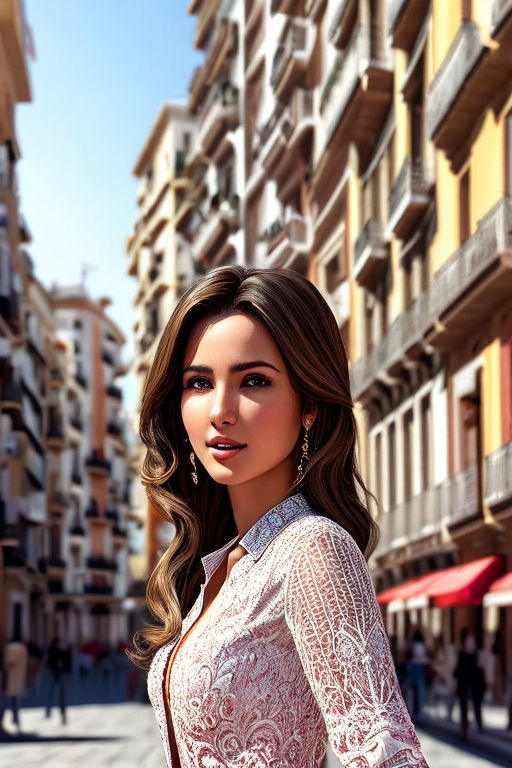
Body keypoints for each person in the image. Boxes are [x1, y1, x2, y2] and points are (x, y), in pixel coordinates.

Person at [132, 267, 428, 767]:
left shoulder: (313, 549)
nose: (220, 411)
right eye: (199, 382)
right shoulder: (221, 569)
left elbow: (386, 752)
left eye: (254, 381)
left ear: (309, 402)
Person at [453, 628, 486, 738]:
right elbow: (457, 671)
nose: (470, 643)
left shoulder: (477, 654)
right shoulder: (462, 654)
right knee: (464, 708)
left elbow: (481, 670)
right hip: (463, 685)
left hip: (475, 684)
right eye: (468, 640)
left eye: (472, 641)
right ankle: (464, 729)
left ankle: (479, 724)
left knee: (477, 705)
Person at [0, 635, 28, 732]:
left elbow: (8, 662)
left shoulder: (9, 650)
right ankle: (14, 720)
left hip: (8, 681)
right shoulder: (16, 649)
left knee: (6, 703)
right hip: (9, 681)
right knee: (7, 703)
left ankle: (12, 720)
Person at [406, 629, 430, 721]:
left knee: (413, 692)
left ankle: (414, 712)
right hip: (419, 669)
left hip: (413, 669)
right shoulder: (422, 646)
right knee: (418, 693)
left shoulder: (412, 645)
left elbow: (410, 656)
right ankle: (416, 712)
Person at [45, 636, 70, 724]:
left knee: (62, 695)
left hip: (61, 674)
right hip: (54, 673)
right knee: (51, 693)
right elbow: (49, 662)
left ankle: (63, 713)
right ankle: (48, 711)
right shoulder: (53, 650)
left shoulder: (66, 651)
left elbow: (68, 663)